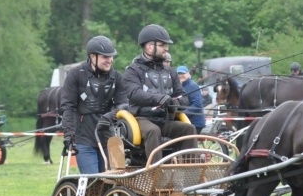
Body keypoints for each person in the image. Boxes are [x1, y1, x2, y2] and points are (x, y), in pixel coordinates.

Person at [123, 24, 196, 162]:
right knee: (153, 130)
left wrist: (175, 103)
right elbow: (135, 94)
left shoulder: (170, 72)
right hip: (141, 119)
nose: (166, 48)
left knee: (189, 129)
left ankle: (190, 172)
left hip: (166, 120)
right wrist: (159, 98)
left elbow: (184, 98)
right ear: (150, 47)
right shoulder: (133, 71)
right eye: (163, 45)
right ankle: (156, 172)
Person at [60, 35, 127, 174]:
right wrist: (69, 133)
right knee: (93, 181)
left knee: (112, 181)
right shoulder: (75, 75)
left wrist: (109, 117)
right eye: (105, 57)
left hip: (108, 137)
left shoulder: (117, 78)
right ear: (92, 56)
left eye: (111, 56)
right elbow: (68, 106)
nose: (109, 60)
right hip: (83, 139)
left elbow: (124, 105)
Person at [176, 66, 206, 133]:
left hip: (195, 123)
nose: (181, 76)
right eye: (179, 74)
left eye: (183, 73)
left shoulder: (192, 86)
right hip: (187, 122)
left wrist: (182, 114)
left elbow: (197, 104)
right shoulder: (181, 86)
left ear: (188, 74)